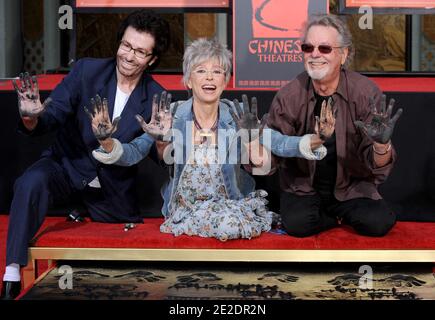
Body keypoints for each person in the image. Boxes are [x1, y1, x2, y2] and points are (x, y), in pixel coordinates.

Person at [1, 10, 170, 299]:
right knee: (30, 182)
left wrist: (160, 138)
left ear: (152, 59)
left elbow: (158, 157)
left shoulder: (156, 96)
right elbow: (53, 113)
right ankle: (12, 272)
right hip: (67, 167)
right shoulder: (86, 71)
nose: (129, 56)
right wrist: (32, 118)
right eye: (126, 46)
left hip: (111, 189)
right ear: (119, 42)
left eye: (140, 52)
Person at [91, 38, 326, 241]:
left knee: (231, 223)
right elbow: (134, 152)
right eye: (201, 70)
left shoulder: (237, 113)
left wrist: (318, 138)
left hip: (230, 203)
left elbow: (281, 142)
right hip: (187, 208)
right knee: (229, 226)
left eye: (217, 71)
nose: (209, 78)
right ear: (188, 80)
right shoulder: (172, 115)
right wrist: (106, 141)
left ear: (225, 81)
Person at [267, 14, 403, 238]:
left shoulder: (366, 93)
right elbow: (271, 157)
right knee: (298, 225)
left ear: (344, 54)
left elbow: (378, 167)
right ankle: (335, 219)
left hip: (351, 188)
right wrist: (257, 148)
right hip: (304, 188)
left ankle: (336, 215)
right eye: (308, 47)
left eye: (325, 48)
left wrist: (382, 145)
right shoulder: (289, 95)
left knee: (378, 223)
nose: (315, 54)